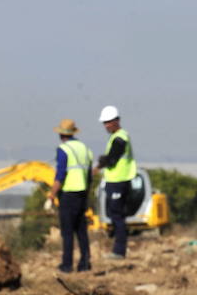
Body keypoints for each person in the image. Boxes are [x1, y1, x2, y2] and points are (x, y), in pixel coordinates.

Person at [46, 118, 93, 273]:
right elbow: (89, 175)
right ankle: (85, 263)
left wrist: (51, 196)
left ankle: (67, 265)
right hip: (83, 193)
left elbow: (60, 176)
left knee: (67, 232)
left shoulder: (64, 150)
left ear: (61, 134)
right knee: (81, 230)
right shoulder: (85, 149)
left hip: (68, 194)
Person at [93, 105, 136, 260]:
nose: (106, 125)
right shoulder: (115, 137)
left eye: (108, 122)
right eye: (104, 123)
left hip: (119, 181)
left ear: (116, 121)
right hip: (114, 181)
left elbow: (112, 158)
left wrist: (99, 165)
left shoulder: (120, 137)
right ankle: (118, 248)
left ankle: (119, 251)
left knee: (117, 216)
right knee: (114, 215)